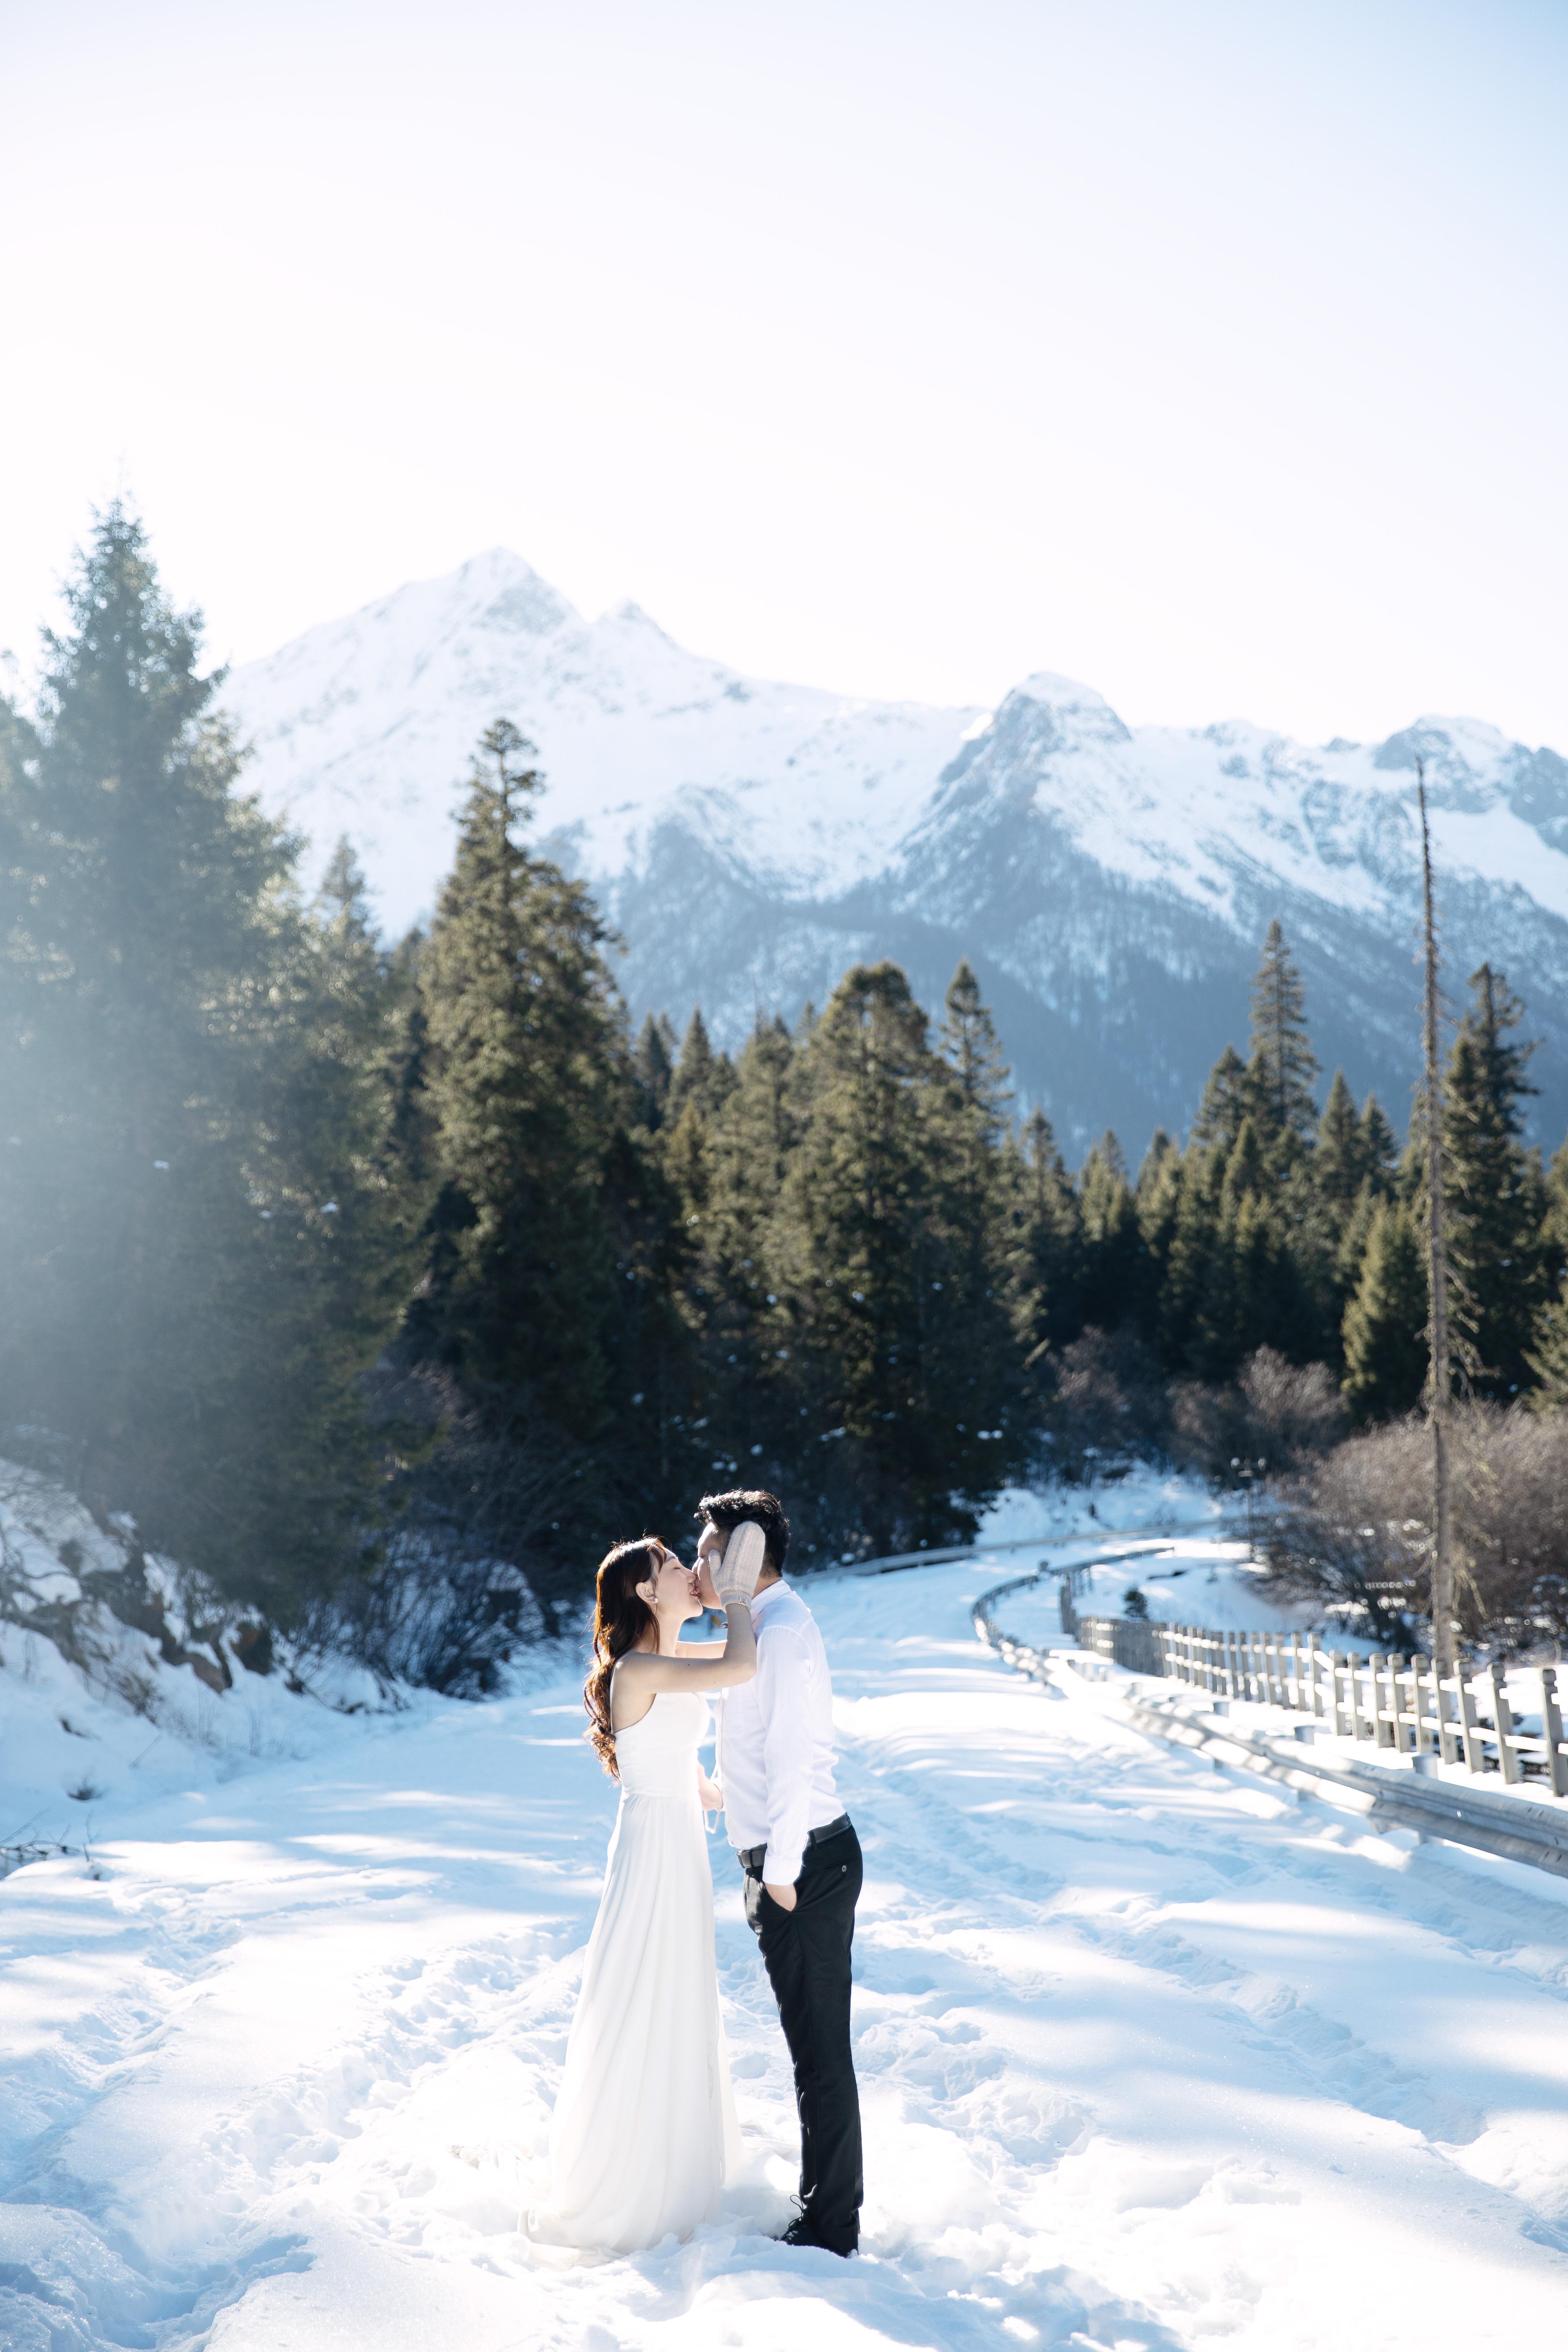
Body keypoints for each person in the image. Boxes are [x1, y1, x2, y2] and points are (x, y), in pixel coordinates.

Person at [525, 1531, 758, 2254]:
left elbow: (696, 1777)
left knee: (676, 1991)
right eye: (672, 1567)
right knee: (642, 1992)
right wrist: (740, 1596)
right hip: (653, 1847)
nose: (690, 1574)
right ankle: (627, 2177)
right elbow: (741, 1664)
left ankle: (675, 2158)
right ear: (645, 1593)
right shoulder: (635, 1669)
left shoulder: (660, 1660)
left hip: (676, 1838)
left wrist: (745, 1799)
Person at [695, 1488, 864, 2257]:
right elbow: (757, 1755)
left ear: (744, 1557)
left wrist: (785, 1874)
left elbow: (795, 1763)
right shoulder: (756, 1627)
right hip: (782, 1859)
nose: (697, 1561)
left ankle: (831, 2227)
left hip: (805, 1865)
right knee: (809, 2050)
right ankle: (823, 2208)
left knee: (820, 2055)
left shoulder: (784, 1633)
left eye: (707, 1549)